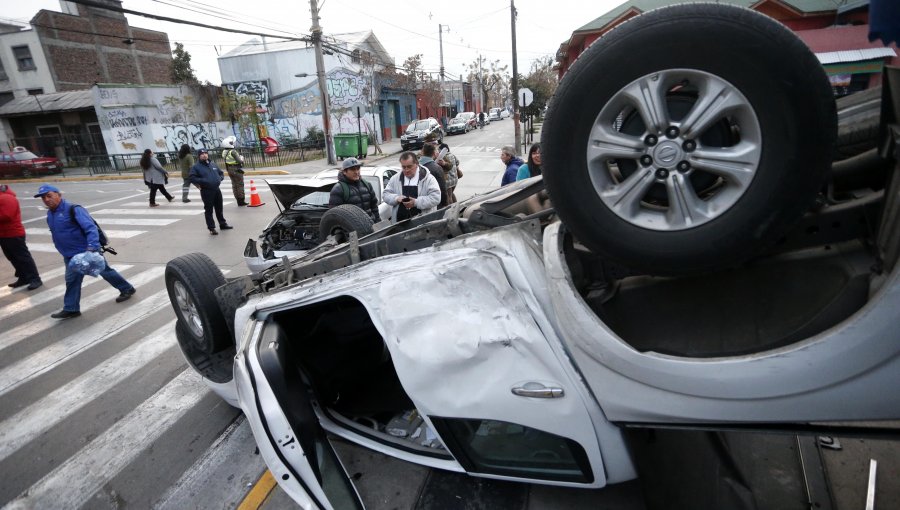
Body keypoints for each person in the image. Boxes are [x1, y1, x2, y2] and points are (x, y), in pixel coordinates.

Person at [34, 184, 135, 320]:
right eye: (43, 198)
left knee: (104, 271)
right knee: (72, 280)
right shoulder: (50, 214)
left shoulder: (73, 209)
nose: (46, 199)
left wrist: (92, 248)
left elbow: (90, 228)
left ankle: (126, 288)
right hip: (69, 254)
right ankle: (71, 308)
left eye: (49, 196)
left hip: (85, 251)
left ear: (59, 195)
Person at [0, 184, 42, 290]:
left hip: (13, 233)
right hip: (4, 234)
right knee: (12, 257)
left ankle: (35, 279)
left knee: (23, 257)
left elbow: (7, 216)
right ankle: (24, 277)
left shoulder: (6, 198)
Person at [383, 151, 441, 223]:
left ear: (416, 164)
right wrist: (396, 198)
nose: (406, 170)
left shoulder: (428, 179)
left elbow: (436, 198)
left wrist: (416, 202)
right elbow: (385, 194)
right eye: (404, 167)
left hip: (423, 224)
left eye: (409, 167)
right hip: (400, 224)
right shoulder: (395, 179)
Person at [189, 148, 233, 235]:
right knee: (209, 210)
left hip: (216, 189)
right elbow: (192, 178)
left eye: (206, 153)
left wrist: (219, 179)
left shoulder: (212, 164)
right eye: (202, 154)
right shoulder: (196, 167)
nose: (204, 155)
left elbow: (220, 173)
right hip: (206, 191)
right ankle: (211, 228)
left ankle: (222, 224)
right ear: (199, 156)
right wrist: (203, 181)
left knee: (219, 208)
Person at [328, 157, 380, 222]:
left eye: (358, 169)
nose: (356, 172)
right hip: (352, 230)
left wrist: (378, 222)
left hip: (371, 226)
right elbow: (335, 215)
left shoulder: (367, 185)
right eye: (352, 169)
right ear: (344, 172)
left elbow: (374, 207)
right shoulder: (338, 189)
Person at [419, 142, 449, 207]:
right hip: (435, 205)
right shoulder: (437, 168)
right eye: (436, 150)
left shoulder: (415, 166)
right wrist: (445, 204)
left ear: (422, 152)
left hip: (419, 204)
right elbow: (442, 189)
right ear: (434, 154)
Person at [221, 136, 247, 206]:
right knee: (240, 185)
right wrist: (242, 158)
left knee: (234, 185)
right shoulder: (233, 152)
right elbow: (239, 161)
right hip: (236, 169)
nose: (233, 143)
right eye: (232, 143)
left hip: (229, 169)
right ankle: (241, 200)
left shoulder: (224, 152)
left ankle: (238, 200)